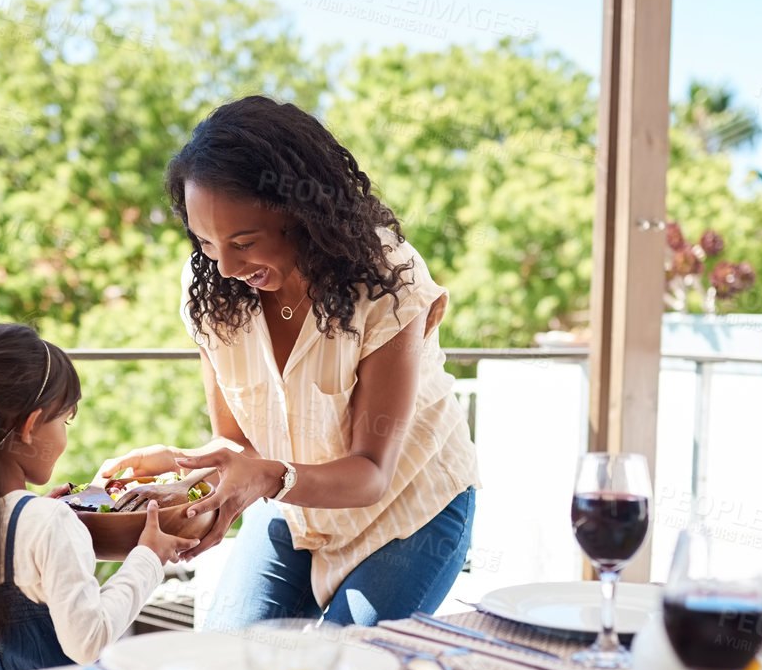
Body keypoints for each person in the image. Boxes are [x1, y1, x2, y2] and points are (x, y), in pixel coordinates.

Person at [97, 96, 479, 629]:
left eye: (244, 242)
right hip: (291, 508)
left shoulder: (389, 281)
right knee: (229, 662)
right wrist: (186, 464)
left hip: (408, 508)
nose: (226, 266)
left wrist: (264, 480)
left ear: (302, 216)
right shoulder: (210, 291)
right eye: (206, 241)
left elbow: (371, 473)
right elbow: (242, 446)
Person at [0, 323, 196, 670]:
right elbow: (87, 642)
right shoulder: (47, 522)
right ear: (29, 426)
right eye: (65, 421)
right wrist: (150, 557)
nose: (64, 436)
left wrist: (38, 513)